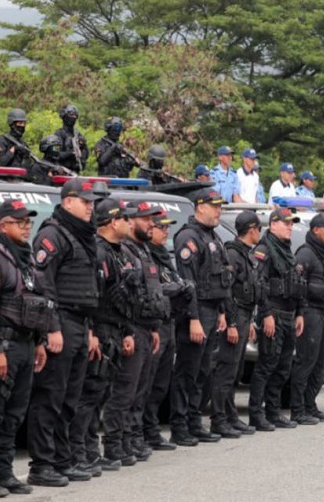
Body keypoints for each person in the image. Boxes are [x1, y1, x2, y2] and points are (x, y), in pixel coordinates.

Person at [26, 178, 104, 487]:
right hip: (61, 322)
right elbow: (43, 285)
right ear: (67, 201)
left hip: (79, 323)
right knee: (50, 398)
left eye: (92, 202)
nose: (90, 206)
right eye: (85, 201)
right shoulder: (52, 234)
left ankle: (62, 458)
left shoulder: (81, 235)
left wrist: (88, 329)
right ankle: (42, 464)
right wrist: (53, 328)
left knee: (70, 399)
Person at [0, 200, 48, 498]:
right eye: (21, 222)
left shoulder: (24, 257)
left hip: (25, 344)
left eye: (29, 222)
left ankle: (3, 472)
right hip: (3, 344)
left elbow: (35, 302)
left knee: (14, 414)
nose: (27, 228)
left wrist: (39, 342)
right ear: (4, 226)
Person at [70, 197, 134, 472]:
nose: (129, 223)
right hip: (100, 329)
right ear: (110, 222)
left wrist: (127, 331)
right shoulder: (99, 252)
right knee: (89, 393)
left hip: (115, 329)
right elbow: (92, 297)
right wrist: (92, 332)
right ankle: (79, 451)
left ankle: (89, 448)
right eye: (125, 219)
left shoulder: (118, 252)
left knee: (102, 392)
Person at [170, 189, 230, 446]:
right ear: (200, 207)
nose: (218, 211)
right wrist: (193, 318)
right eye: (214, 206)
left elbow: (217, 278)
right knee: (187, 372)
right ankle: (179, 426)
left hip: (210, 310)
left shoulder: (211, 235)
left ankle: (194, 421)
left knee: (203, 371)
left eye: (220, 206)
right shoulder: (188, 237)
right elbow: (189, 283)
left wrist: (221, 312)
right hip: (194, 312)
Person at [119, 202, 169, 463]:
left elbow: (152, 292)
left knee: (141, 389)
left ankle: (134, 437)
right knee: (126, 391)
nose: (151, 223)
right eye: (146, 219)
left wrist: (154, 328)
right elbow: (125, 296)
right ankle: (121, 441)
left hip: (147, 327)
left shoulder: (144, 251)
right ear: (131, 221)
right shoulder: (125, 251)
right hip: (132, 327)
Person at [249, 208, 305, 431]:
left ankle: (273, 411)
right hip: (273, 315)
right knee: (266, 365)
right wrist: (266, 315)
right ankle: (256, 413)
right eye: (286, 223)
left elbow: (296, 284)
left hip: (289, 315)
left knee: (282, 367)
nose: (290, 226)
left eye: (292, 223)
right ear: (273, 224)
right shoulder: (264, 250)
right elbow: (259, 285)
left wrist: (300, 312)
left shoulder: (286, 250)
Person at [144, 212, 196, 450]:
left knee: (161, 384)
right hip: (153, 323)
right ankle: (140, 433)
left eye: (167, 228)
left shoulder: (164, 256)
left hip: (169, 322)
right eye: (161, 228)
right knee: (147, 382)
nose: (166, 232)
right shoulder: (145, 254)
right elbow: (152, 289)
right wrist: (174, 288)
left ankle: (151, 431)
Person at [210, 211, 262, 438]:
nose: (260, 233)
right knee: (226, 371)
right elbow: (228, 292)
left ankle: (230, 416)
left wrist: (248, 320)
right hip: (235, 315)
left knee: (236, 370)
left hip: (244, 315)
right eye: (259, 229)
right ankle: (218, 419)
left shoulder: (244, 254)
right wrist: (231, 322)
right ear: (252, 230)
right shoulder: (233, 254)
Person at [291, 213, 324, 425]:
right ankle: (297, 409)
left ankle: (310, 405)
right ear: (316, 230)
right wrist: (300, 313)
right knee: (306, 361)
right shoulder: (306, 254)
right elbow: (297, 285)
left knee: (320, 364)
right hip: (310, 312)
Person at [0, 109, 32, 175]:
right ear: (12, 124)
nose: (22, 126)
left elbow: (27, 171)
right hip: (5, 181)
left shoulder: (24, 144)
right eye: (19, 123)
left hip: (20, 181)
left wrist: (26, 157)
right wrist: (13, 150)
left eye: (23, 123)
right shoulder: (3, 140)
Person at [52, 105, 89, 174]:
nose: (74, 117)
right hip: (62, 172)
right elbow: (55, 155)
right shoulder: (58, 134)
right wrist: (70, 153)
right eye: (71, 115)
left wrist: (83, 147)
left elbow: (86, 155)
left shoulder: (77, 134)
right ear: (64, 116)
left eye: (75, 115)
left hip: (75, 172)